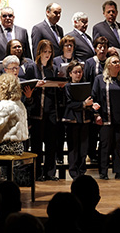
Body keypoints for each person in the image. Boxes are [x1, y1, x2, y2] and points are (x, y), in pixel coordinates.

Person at [25, 39, 61, 181]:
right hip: (37, 110)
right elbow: (26, 88)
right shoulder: (31, 68)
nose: (47, 54)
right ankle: (37, 173)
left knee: (51, 143)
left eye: (50, 52)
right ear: (39, 52)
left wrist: (60, 85)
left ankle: (50, 172)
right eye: (45, 51)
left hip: (52, 110)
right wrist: (36, 86)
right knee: (37, 144)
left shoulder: (53, 69)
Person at [92, 55, 120, 180]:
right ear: (108, 65)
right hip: (105, 118)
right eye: (114, 62)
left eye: (118, 62)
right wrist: (96, 115)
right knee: (105, 146)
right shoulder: (99, 80)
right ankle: (103, 172)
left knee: (118, 146)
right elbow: (94, 97)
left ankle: (119, 171)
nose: (117, 64)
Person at [62, 61, 93, 179]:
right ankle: (74, 172)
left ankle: (82, 171)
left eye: (80, 72)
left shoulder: (85, 85)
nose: (78, 74)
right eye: (75, 72)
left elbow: (90, 100)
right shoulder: (67, 87)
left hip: (84, 120)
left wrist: (91, 106)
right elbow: (69, 104)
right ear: (70, 74)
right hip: (72, 120)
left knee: (83, 148)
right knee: (73, 148)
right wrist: (84, 104)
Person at [84, 36, 109, 164]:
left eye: (104, 47)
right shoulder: (90, 62)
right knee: (92, 130)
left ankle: (104, 154)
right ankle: (92, 153)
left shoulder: (109, 62)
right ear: (95, 49)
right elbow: (87, 80)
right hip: (93, 98)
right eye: (100, 47)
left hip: (106, 99)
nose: (102, 50)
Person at [53, 35, 77, 165]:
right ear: (62, 47)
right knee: (59, 130)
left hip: (73, 98)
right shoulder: (56, 60)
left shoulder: (77, 60)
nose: (68, 47)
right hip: (59, 98)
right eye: (66, 45)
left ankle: (73, 157)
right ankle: (59, 156)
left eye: (71, 45)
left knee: (72, 131)